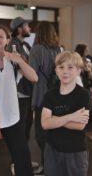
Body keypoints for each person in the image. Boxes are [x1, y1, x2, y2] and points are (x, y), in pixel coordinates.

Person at [0, 25, 37, 176]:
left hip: (12, 117)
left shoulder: (13, 61)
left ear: (7, 40)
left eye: (1, 36)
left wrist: (19, 60)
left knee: (22, 156)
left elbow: (34, 78)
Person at [41, 51, 91, 176]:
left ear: (78, 71)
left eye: (70, 67)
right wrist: (71, 117)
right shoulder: (50, 95)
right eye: (61, 67)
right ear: (56, 70)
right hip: (52, 150)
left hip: (76, 152)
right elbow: (45, 124)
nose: (65, 71)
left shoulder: (83, 95)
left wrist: (54, 119)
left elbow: (80, 126)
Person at [29, 21, 61, 174]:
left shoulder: (36, 49)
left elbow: (32, 73)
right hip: (57, 96)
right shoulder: (59, 50)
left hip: (41, 96)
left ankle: (47, 166)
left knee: (41, 135)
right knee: (54, 133)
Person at [6, 16, 34, 142]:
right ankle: (17, 160)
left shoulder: (26, 45)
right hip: (19, 91)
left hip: (28, 89)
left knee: (27, 124)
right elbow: (17, 66)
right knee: (20, 126)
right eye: (26, 26)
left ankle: (24, 159)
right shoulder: (12, 44)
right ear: (19, 28)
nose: (29, 28)